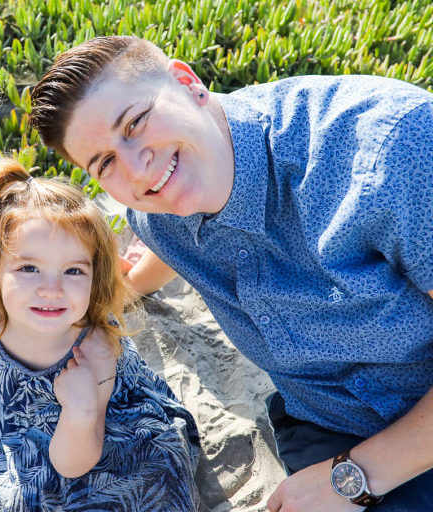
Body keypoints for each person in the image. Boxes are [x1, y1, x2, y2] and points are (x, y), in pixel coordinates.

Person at [29, 36, 433, 511]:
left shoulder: (394, 151)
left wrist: (354, 477)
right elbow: (162, 240)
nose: (137, 170)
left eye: (136, 122)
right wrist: (117, 291)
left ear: (188, 83)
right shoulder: (157, 214)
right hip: (324, 420)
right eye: (106, 162)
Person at [0, 160, 200, 511]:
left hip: (100, 432)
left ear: (94, 278)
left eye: (73, 271)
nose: (52, 289)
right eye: (29, 268)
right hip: (23, 428)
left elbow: (74, 462)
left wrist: (80, 409)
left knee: (150, 484)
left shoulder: (95, 348)